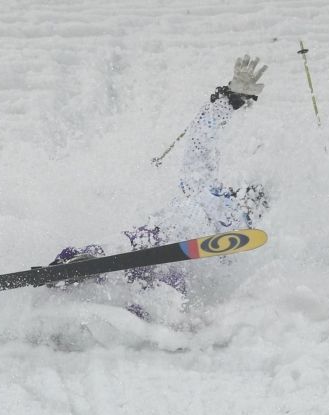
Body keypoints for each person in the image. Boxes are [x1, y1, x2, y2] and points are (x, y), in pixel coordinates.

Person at [52, 55, 269, 316]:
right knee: (120, 248)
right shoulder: (205, 188)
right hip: (157, 236)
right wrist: (229, 99)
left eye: (255, 203)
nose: (249, 202)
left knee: (168, 286)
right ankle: (69, 266)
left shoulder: (248, 243)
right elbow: (201, 143)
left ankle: (136, 317)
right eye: (249, 195)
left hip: (184, 262)